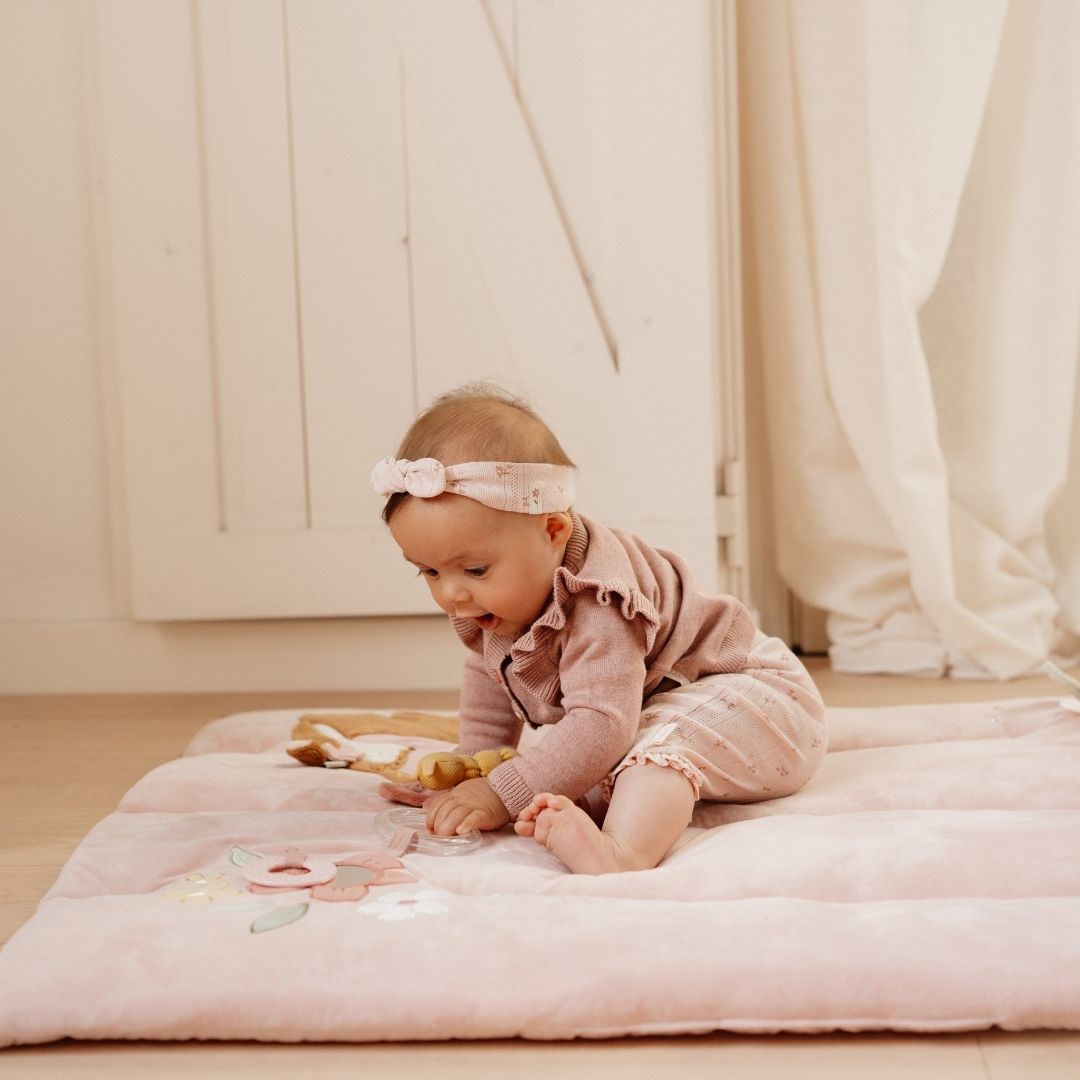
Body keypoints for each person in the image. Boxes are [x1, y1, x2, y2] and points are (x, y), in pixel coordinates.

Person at [371, 384, 827, 874]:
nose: (451, 595)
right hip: (663, 704)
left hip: (760, 703)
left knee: (649, 744)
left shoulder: (600, 599)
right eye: (430, 572)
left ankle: (623, 853)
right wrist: (475, 765)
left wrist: (501, 793)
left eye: (475, 570)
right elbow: (489, 672)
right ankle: (603, 806)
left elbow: (603, 725)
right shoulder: (500, 601)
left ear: (553, 531)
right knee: (584, 764)